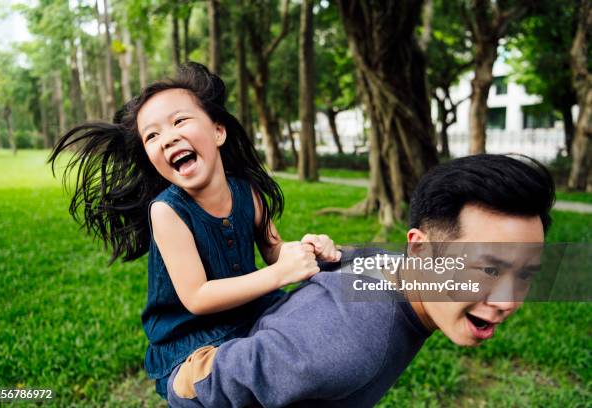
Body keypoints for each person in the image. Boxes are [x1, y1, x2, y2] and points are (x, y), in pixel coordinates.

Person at [166, 154, 555, 407]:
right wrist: (183, 374)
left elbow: (360, 264)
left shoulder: (398, 272)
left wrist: (332, 254)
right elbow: (205, 385)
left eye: (524, 276)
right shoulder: (346, 350)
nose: (507, 301)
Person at [48, 62, 341, 399]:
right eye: (152, 135)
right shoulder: (167, 211)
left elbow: (275, 249)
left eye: (179, 121)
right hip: (192, 342)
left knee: (323, 313)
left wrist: (305, 250)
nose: (168, 137)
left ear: (218, 131)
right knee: (246, 370)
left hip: (254, 316)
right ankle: (198, 385)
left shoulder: (248, 191)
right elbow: (198, 297)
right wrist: (279, 274)